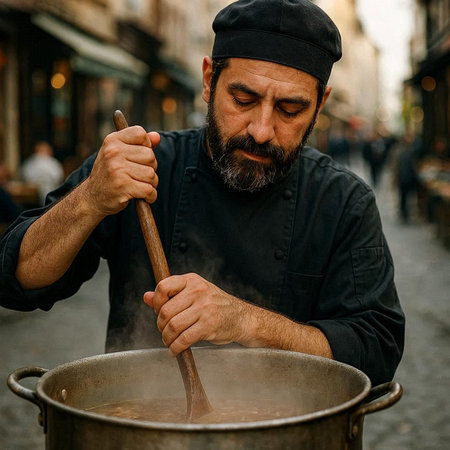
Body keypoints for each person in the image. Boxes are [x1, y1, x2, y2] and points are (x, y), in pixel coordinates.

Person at [0, 0, 404, 386]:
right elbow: (16, 279)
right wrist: (89, 199)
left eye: (290, 110)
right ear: (210, 80)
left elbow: (376, 350)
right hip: (145, 429)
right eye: (243, 100)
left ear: (320, 105)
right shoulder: (145, 167)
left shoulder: (343, 202)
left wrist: (248, 323)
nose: (261, 130)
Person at [21, 141, 64, 205]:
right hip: (33, 194)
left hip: (49, 191)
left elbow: (58, 177)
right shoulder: (31, 162)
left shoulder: (53, 162)